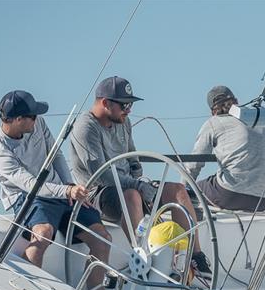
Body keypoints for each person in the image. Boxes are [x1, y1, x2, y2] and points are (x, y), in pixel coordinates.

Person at [69, 76, 210, 274]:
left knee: (177, 190)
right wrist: (138, 186)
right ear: (105, 103)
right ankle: (145, 258)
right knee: (132, 195)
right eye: (125, 105)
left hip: (130, 185)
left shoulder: (123, 121)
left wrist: (140, 179)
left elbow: (133, 157)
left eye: (130, 105)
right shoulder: (86, 127)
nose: (129, 110)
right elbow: (102, 174)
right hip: (98, 193)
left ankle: (196, 257)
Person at [0, 90, 110, 290]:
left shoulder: (39, 125)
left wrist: (68, 185)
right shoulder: (0, 153)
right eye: (33, 116)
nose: (37, 119)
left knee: (103, 240)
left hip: (60, 190)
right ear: (18, 120)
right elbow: (30, 185)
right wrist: (66, 191)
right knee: (43, 233)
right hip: (28, 197)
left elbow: (55, 155)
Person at [188, 86, 265, 212]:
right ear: (236, 101)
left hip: (230, 196)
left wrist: (182, 189)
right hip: (263, 201)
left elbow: (194, 163)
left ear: (213, 111)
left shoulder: (213, 122)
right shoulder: (257, 117)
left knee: (192, 191)